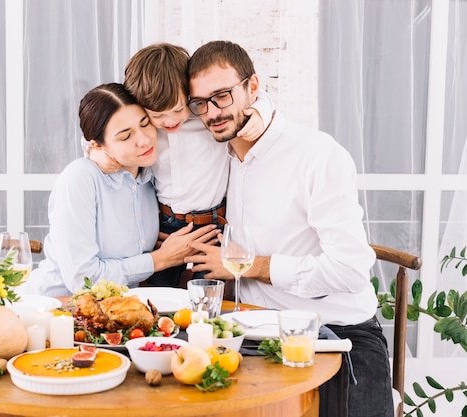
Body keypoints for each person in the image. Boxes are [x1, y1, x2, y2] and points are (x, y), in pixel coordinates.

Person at [184, 40, 392, 417]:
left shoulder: (317, 154)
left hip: (339, 332)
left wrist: (249, 265)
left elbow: (350, 270)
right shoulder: (215, 157)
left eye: (222, 96)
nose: (212, 113)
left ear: (253, 86)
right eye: (201, 103)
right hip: (253, 333)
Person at [89, 43, 273, 287]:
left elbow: (259, 97)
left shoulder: (207, 115)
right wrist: (95, 150)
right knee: (156, 294)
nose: (169, 121)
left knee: (207, 297)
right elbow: (109, 123)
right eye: (157, 115)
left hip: (212, 225)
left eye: (177, 109)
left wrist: (260, 113)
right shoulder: (144, 126)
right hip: (164, 225)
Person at [21, 83, 218, 296]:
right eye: (125, 136)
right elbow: (82, 279)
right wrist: (159, 260)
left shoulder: (151, 179)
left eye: (145, 124)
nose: (144, 140)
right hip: (55, 308)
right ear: (97, 145)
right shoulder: (80, 178)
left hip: (117, 313)